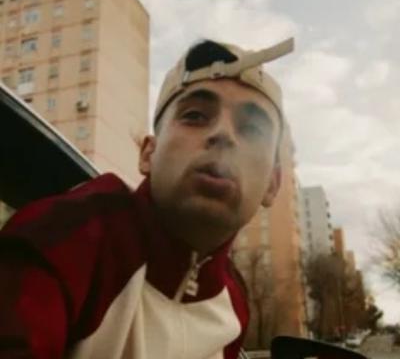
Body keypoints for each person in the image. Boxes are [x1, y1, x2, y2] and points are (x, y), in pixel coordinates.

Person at [0, 37, 294, 359]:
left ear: (272, 184)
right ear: (148, 154)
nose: (223, 134)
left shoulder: (234, 301)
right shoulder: (64, 239)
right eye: (195, 116)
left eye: (252, 130)